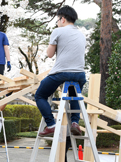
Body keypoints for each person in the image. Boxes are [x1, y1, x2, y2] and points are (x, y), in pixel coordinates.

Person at [34, 6, 86, 137]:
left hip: (62, 72)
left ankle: (51, 125)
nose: (57, 22)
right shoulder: (81, 34)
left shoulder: (58, 31)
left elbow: (50, 54)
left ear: (62, 19)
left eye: (57, 20)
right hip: (80, 74)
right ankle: (75, 122)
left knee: (40, 95)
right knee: (74, 94)